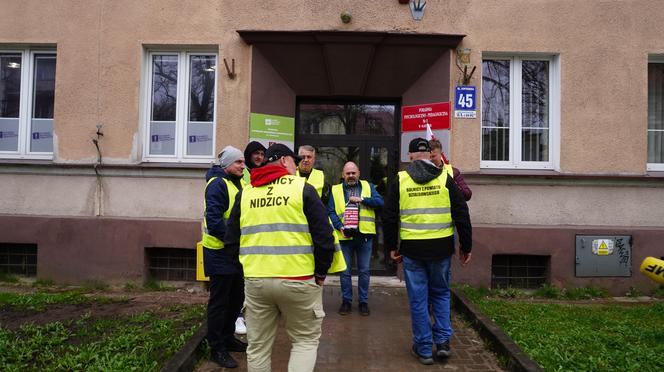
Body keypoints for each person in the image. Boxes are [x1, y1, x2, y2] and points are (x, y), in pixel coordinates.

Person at [225, 143, 345, 372]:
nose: (298, 166)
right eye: (295, 161)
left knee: (258, 348)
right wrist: (321, 273)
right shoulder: (302, 188)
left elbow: (231, 241)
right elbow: (324, 238)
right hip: (298, 280)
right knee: (304, 342)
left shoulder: (247, 192)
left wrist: (245, 273)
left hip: (256, 282)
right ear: (283, 161)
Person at [383, 138, 472, 365]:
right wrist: (466, 246)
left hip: (413, 251)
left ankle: (423, 349)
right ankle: (442, 343)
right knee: (441, 294)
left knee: (418, 299)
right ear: (430, 155)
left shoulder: (400, 180)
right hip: (441, 249)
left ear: (411, 155)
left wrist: (391, 247)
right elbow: (461, 212)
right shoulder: (445, 178)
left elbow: (390, 216)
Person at [202, 145, 248, 369]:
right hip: (220, 253)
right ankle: (216, 348)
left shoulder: (236, 182)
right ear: (227, 164)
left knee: (236, 299)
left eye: (242, 162)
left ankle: (228, 337)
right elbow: (214, 221)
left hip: (234, 253)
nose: (243, 165)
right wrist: (233, 243)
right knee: (219, 303)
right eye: (238, 162)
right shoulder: (217, 184)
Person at [328, 161, 383, 316]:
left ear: (358, 173)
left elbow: (380, 202)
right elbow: (331, 212)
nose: (351, 176)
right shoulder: (335, 190)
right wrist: (340, 227)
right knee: (345, 272)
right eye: (348, 173)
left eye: (353, 173)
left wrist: (362, 199)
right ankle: (346, 301)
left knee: (364, 271)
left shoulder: (368, 186)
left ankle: (363, 302)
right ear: (342, 175)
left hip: (364, 237)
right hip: (344, 236)